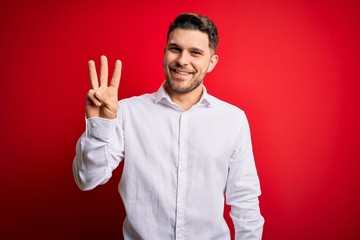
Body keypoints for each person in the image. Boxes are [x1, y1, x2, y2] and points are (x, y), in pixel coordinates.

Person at [73, 12, 264, 239]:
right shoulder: (126, 112)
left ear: (211, 62)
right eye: (175, 49)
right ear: (164, 53)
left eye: (195, 53)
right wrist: (100, 124)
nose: (182, 60)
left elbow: (245, 200)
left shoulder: (233, 119)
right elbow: (87, 180)